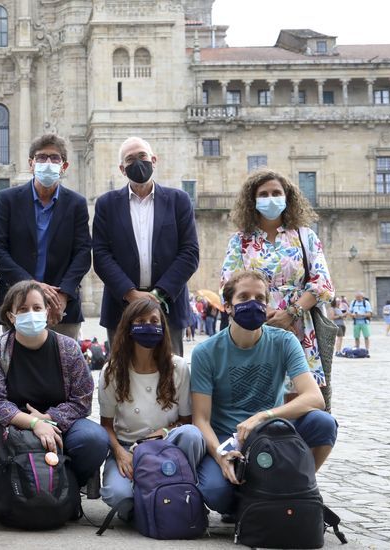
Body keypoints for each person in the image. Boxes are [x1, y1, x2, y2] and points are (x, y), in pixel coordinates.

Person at [191, 270, 337, 517]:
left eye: (259, 298)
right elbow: (201, 419)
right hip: (229, 440)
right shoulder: (206, 352)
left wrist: (263, 416)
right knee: (216, 493)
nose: (253, 303)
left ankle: (298, 487)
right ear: (228, 306)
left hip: (271, 434)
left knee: (324, 423)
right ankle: (246, 504)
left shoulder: (283, 341)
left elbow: (315, 398)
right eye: (244, 297)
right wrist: (220, 455)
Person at [0, 280, 108, 494]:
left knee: (94, 439)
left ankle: (68, 487)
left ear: (47, 312)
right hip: (14, 428)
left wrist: (48, 419)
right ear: (11, 316)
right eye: (22, 309)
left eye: (37, 308)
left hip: (61, 425)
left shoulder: (69, 349)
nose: (31, 313)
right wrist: (34, 423)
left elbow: (82, 400)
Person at [221, 169, 334, 388]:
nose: (270, 198)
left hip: (300, 325)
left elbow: (323, 284)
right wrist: (266, 314)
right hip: (253, 324)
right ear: (252, 201)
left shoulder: (305, 236)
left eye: (276, 192)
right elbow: (228, 285)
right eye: (263, 194)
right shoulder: (239, 242)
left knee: (299, 390)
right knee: (258, 387)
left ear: (287, 197)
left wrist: (291, 313)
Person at [92, 137, 199, 356]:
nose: (138, 163)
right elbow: (101, 255)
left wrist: (158, 295)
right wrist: (130, 294)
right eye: (130, 159)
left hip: (169, 307)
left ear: (153, 159)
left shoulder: (179, 200)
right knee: (121, 379)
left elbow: (190, 252)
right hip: (120, 308)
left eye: (142, 156)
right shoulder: (106, 204)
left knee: (171, 377)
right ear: (122, 169)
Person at [98, 299, 204, 517]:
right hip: (128, 447)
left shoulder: (178, 367)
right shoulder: (112, 371)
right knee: (118, 496)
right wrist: (119, 453)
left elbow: (186, 421)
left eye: (154, 321)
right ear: (129, 328)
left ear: (163, 327)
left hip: (167, 445)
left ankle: (183, 488)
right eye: (141, 321)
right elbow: (106, 425)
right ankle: (152, 504)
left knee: (192, 435)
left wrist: (163, 433)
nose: (149, 325)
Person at [0, 134, 92, 341]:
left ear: (64, 165)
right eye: (42, 158)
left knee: (64, 369)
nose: (48, 163)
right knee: (15, 368)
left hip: (61, 308)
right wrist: (32, 286)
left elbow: (82, 253)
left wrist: (62, 295)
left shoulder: (76, 203)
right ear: (31, 164)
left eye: (55, 158)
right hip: (17, 304)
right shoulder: (8, 199)